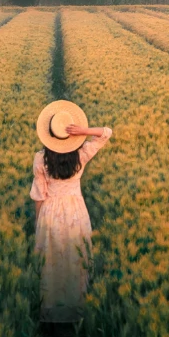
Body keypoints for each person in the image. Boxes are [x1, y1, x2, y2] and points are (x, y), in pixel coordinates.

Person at [30, 99, 113, 325]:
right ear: (70, 136)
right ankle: (76, 312)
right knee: (76, 258)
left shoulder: (40, 158)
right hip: (76, 211)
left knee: (52, 260)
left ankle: (50, 313)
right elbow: (107, 132)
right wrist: (83, 131)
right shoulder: (81, 155)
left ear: (48, 134)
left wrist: (38, 224)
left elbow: (39, 195)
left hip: (50, 211)